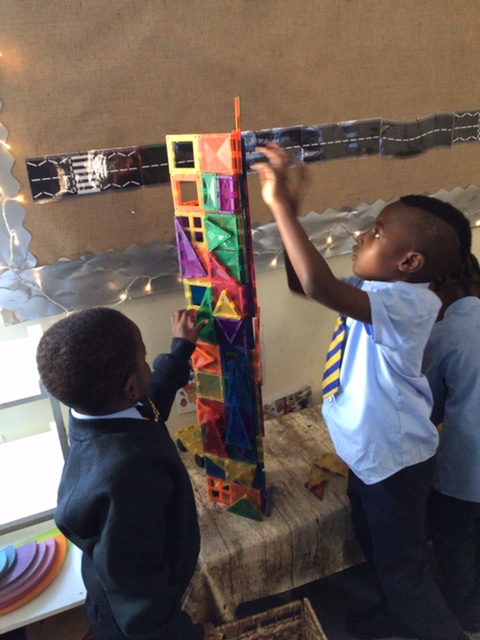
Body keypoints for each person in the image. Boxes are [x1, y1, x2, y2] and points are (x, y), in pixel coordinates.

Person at [252, 142, 471, 640]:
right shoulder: (379, 288)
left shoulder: (410, 305)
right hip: (368, 452)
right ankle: (397, 615)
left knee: (405, 572)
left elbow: (318, 286)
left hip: (395, 461)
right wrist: (290, 216)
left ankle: (436, 627)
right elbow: (302, 281)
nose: (361, 234)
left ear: (409, 261)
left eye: (376, 232)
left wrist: (281, 207)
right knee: (375, 545)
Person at [36, 307, 208, 640]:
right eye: (144, 357)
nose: (147, 362)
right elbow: (140, 603)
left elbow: (150, 407)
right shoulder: (129, 476)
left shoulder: (96, 413)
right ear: (131, 387)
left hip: (119, 588)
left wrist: (180, 350)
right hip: (130, 623)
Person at [422, 253, 480, 633]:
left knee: (456, 541)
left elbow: (428, 408)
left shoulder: (444, 336)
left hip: (466, 470)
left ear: (443, 287)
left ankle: (466, 613)